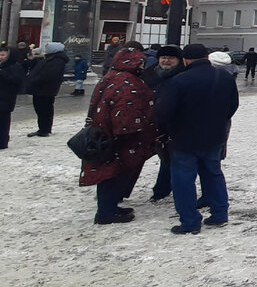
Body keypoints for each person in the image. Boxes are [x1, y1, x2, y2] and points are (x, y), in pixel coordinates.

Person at [157, 44, 239, 234]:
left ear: (185, 60)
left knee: (183, 180)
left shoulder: (179, 81)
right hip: (214, 136)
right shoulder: (224, 77)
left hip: (184, 138)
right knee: (213, 173)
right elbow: (233, 106)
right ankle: (219, 214)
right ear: (207, 57)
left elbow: (163, 113)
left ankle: (190, 222)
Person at [78, 48, 159, 225]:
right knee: (115, 173)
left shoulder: (110, 77)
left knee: (107, 173)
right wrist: (132, 133)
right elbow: (126, 113)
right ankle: (107, 212)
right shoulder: (129, 83)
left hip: (102, 134)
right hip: (120, 138)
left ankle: (109, 207)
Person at [142, 45, 185, 203]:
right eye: (163, 58)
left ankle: (162, 189)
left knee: (169, 158)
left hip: (171, 123)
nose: (166, 61)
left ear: (178, 60)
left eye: (171, 58)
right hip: (149, 121)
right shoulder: (148, 74)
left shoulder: (181, 76)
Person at [24, 42, 68, 138]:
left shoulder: (56, 60)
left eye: (48, 47)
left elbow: (49, 75)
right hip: (42, 89)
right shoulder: (50, 58)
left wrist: (34, 80)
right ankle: (44, 128)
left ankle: (44, 129)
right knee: (43, 109)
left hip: (44, 89)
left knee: (43, 109)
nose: (46, 49)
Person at [0, 47, 26, 150]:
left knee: (2, 122)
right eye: (0, 55)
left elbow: (15, 81)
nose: (1, 57)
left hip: (5, 99)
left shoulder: (15, 67)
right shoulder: (0, 66)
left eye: (3, 55)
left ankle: (0, 143)